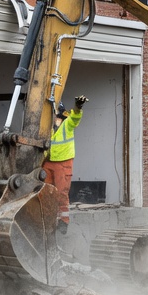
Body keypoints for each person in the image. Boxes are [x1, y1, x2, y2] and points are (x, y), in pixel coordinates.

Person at [45, 95, 87, 232]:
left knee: (62, 192)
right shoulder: (46, 127)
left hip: (63, 162)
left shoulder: (67, 123)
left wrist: (78, 107)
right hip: (47, 162)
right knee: (46, 193)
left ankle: (63, 221)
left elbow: (75, 118)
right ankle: (47, 219)